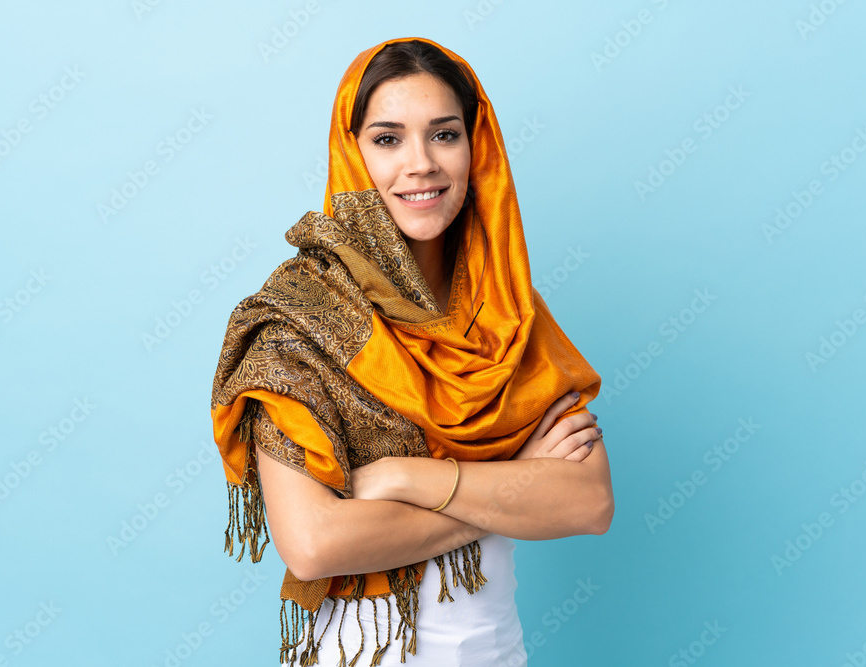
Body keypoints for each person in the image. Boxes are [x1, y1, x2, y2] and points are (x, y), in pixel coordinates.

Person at [210, 37, 614, 666]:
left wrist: (406, 478)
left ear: (477, 149)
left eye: (445, 135)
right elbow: (315, 544)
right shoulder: (297, 321)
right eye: (388, 139)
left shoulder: (505, 310)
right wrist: (506, 497)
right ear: (352, 153)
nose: (420, 163)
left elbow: (588, 502)